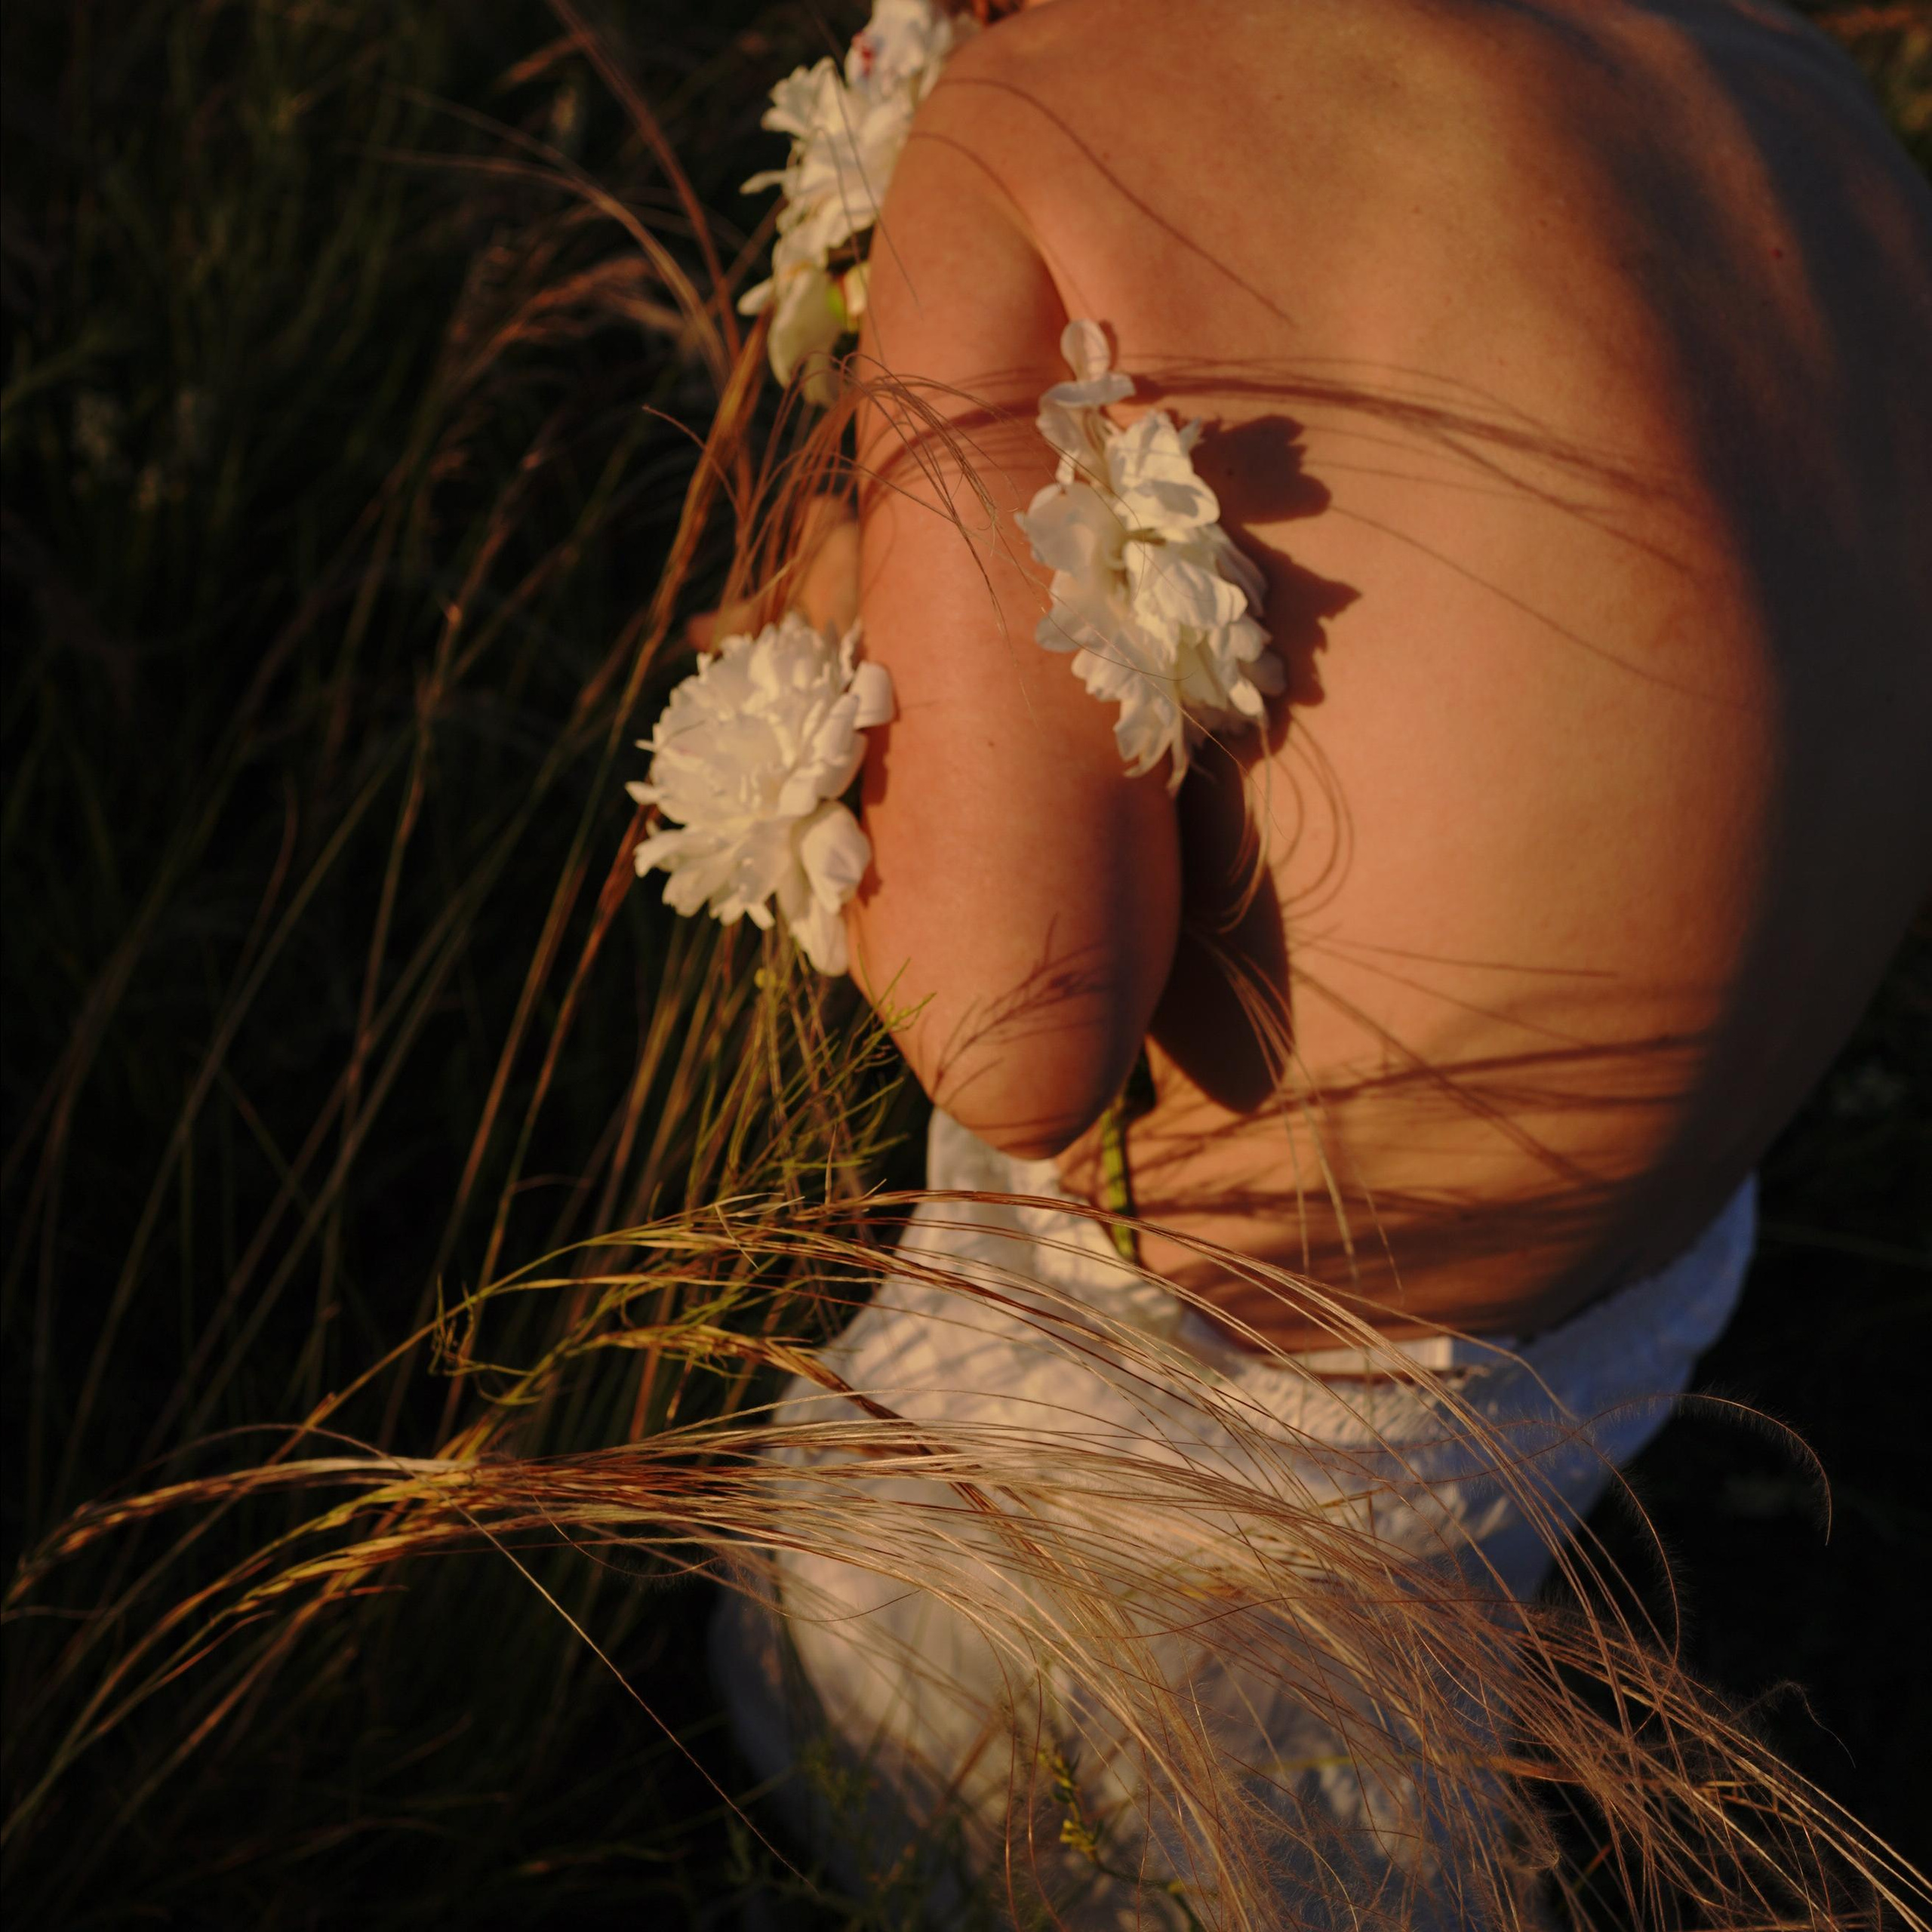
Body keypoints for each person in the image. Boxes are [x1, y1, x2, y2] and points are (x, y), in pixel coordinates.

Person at [700, 0, 1932, 1922]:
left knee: (870, 1671)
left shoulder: (1050, 115)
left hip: (1217, 1355)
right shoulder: (1810, 103)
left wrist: (858, 637)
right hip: (1625, 1300)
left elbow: (1016, 1030)